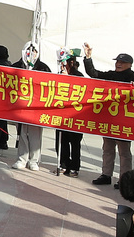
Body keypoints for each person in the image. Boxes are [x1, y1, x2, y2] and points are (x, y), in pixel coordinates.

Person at [83, 44, 134, 185]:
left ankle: (125, 179)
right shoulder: (111, 75)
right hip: (109, 120)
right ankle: (106, 175)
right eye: (117, 62)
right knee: (107, 149)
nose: (119, 64)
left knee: (124, 152)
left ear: (130, 65)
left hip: (123, 121)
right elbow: (94, 73)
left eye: (122, 62)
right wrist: (88, 57)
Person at [12, 42, 53, 171]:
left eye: (34, 51)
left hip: (36, 107)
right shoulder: (17, 66)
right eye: (28, 51)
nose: (31, 54)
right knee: (22, 133)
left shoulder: (43, 67)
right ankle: (22, 159)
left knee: (35, 134)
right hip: (21, 106)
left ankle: (34, 160)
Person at [56, 52, 84, 176]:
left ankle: (75, 167)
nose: (62, 65)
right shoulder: (59, 75)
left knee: (75, 142)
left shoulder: (79, 76)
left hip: (75, 114)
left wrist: (67, 78)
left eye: (64, 62)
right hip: (61, 114)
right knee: (62, 141)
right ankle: (63, 164)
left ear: (71, 62)